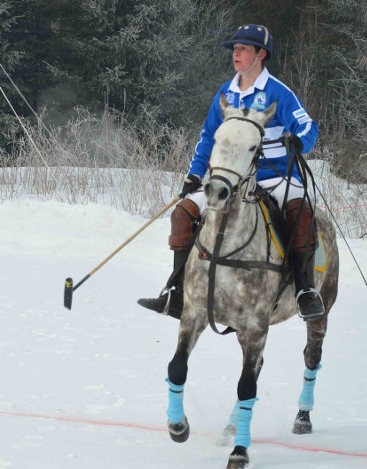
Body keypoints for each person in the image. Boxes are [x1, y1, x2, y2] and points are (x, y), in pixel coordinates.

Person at [137, 24, 325, 320]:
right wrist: (194, 175)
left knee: (301, 215)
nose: (236, 54)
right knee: (182, 214)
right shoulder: (226, 92)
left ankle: (304, 290)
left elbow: (308, 126)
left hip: (275, 175)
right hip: (230, 177)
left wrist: (299, 141)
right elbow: (208, 136)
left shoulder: (278, 92)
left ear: (261, 54)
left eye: (243, 49)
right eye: (234, 49)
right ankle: (177, 293)